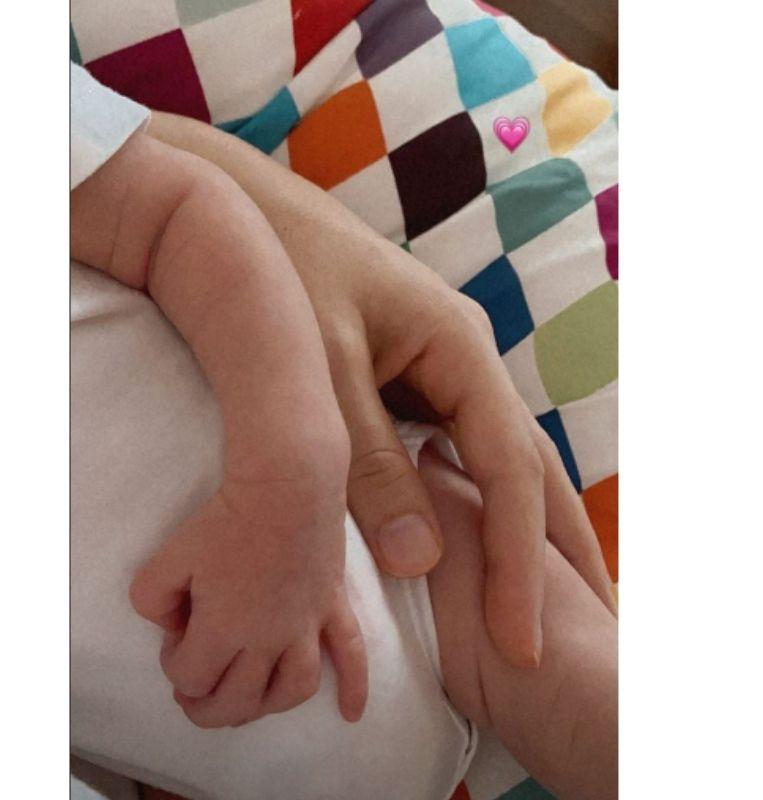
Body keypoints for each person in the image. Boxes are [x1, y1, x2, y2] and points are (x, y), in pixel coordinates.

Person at [71, 62, 616, 799]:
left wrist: (286, 488)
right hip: (174, 748)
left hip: (387, 563)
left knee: (538, 635)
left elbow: (175, 213)